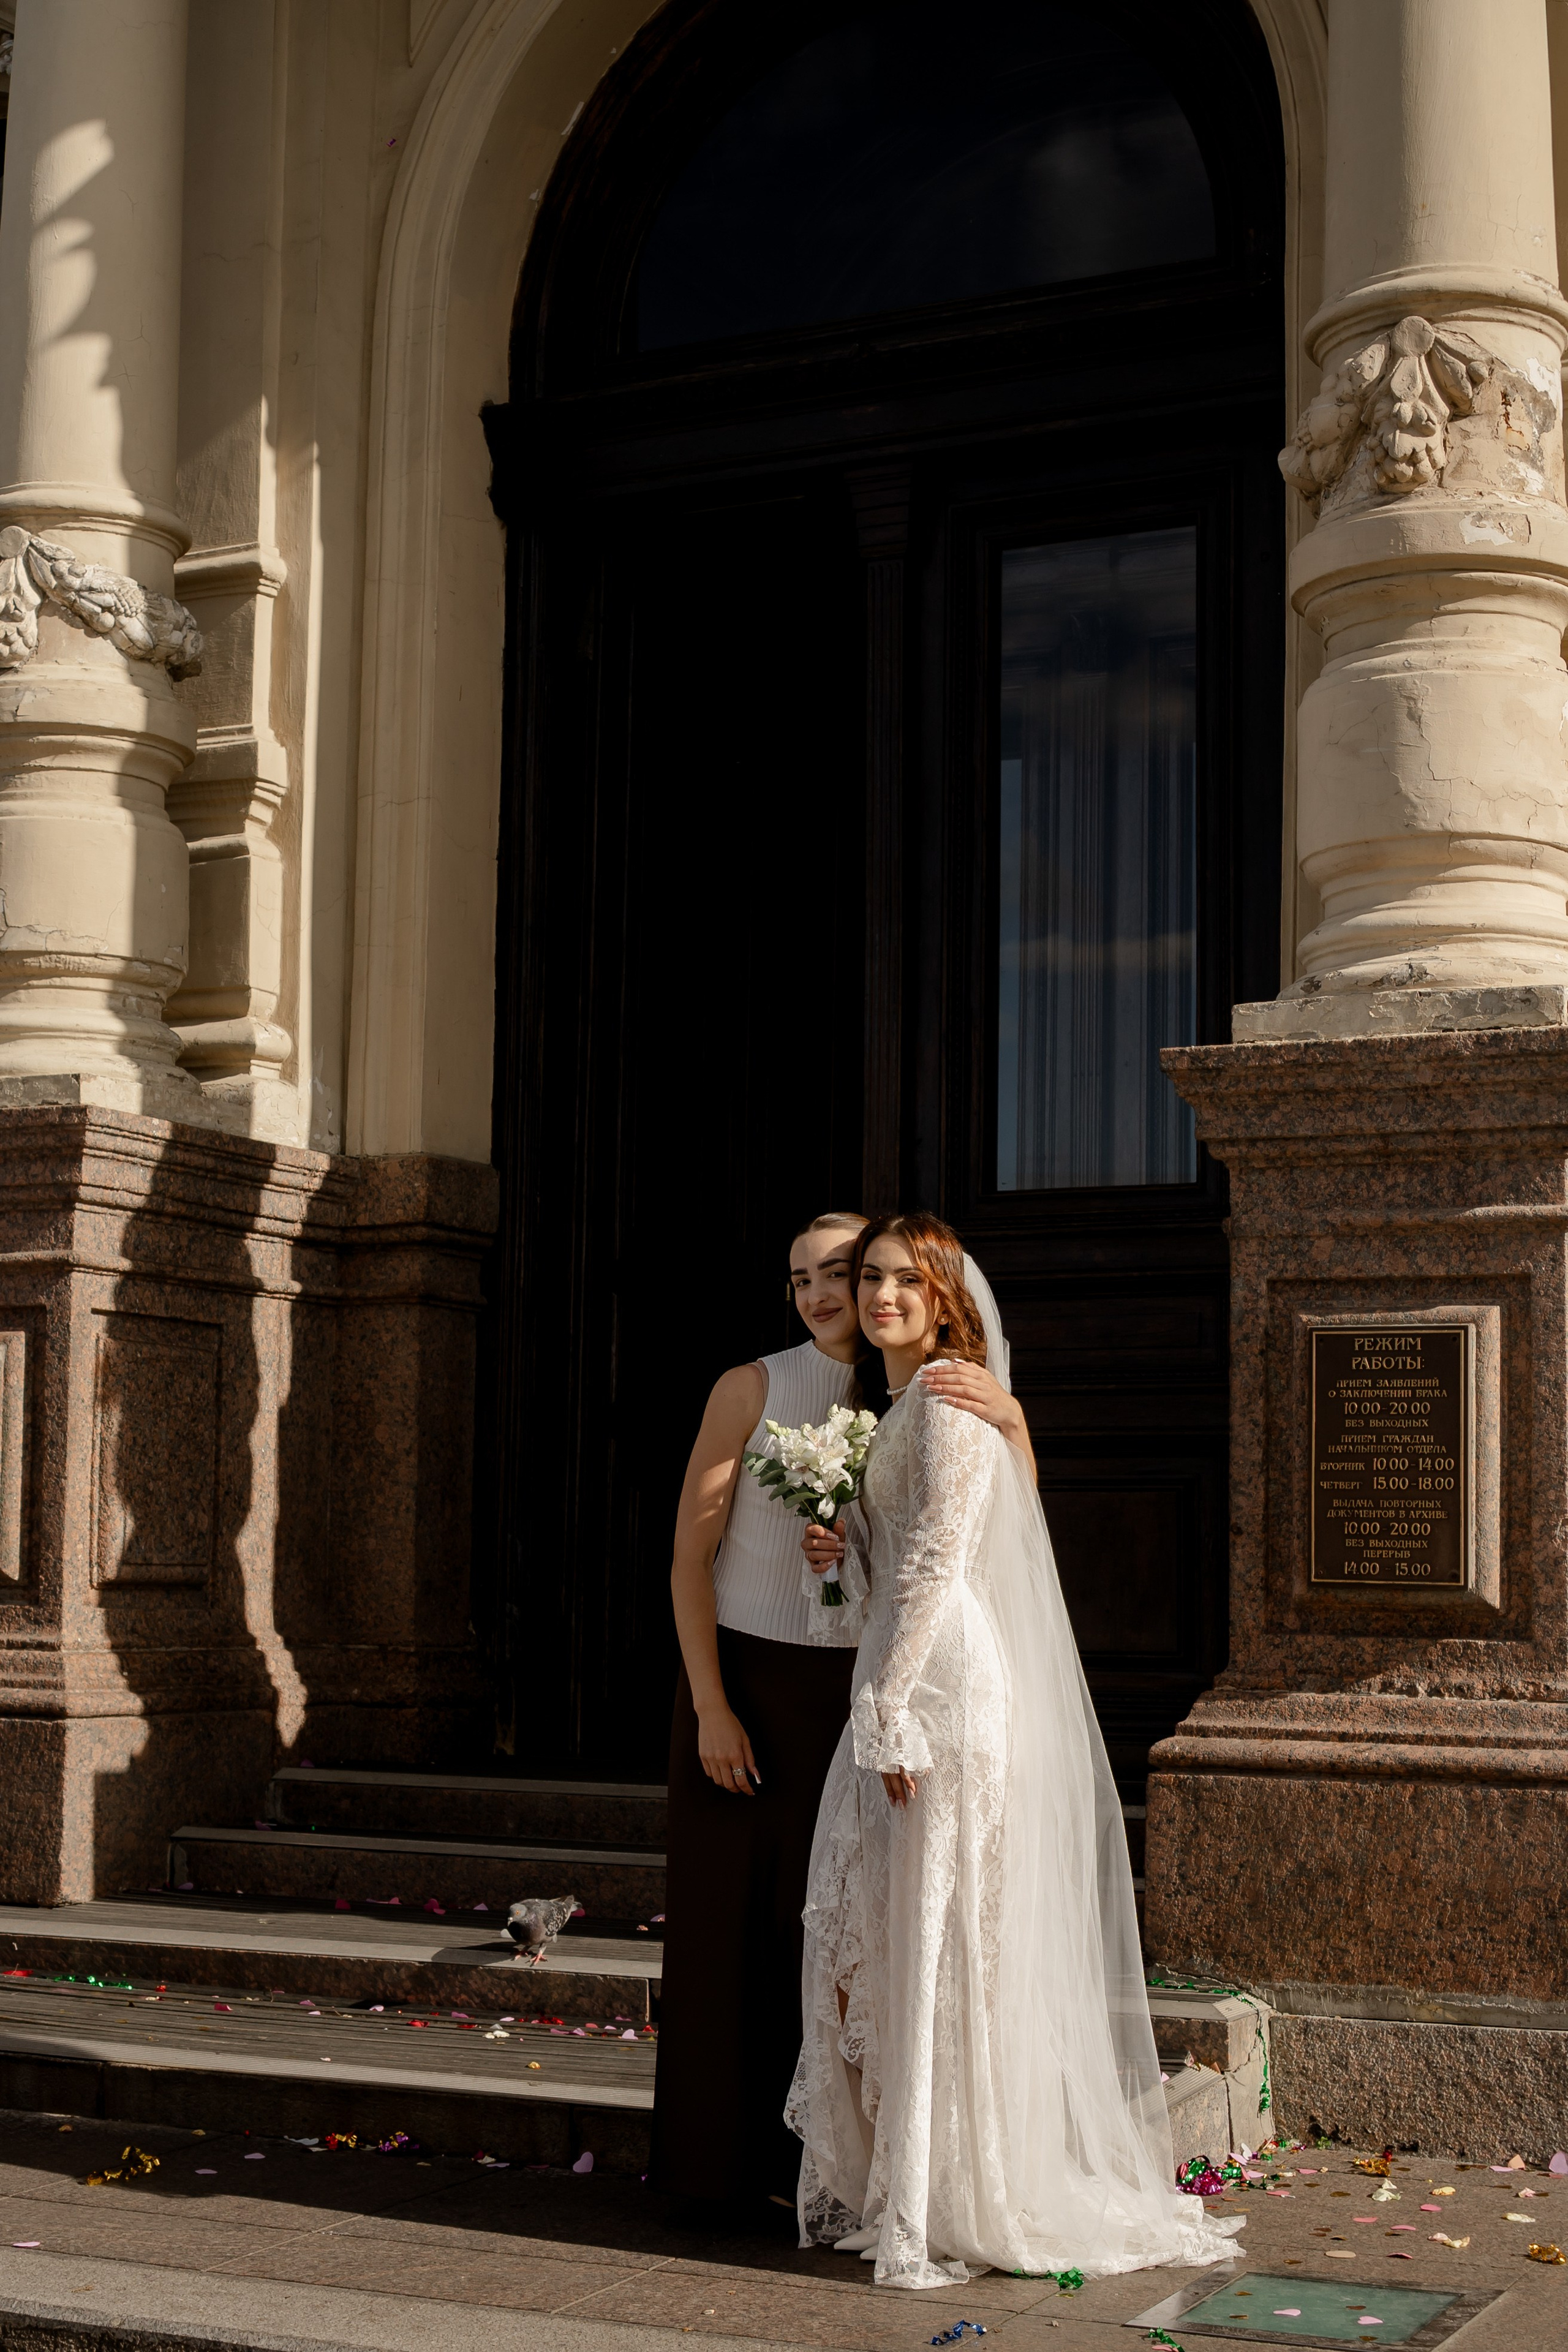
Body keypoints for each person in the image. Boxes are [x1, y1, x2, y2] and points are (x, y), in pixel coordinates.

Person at [788, 1212, 1245, 2286]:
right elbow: (871, 1594)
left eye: (906, 1280)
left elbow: (942, 1569)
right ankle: (927, 2183)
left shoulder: (947, 1405)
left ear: (946, 1299)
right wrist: (838, 1548)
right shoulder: (897, 1409)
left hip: (944, 1694)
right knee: (906, 1938)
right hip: (905, 1677)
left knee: (946, 1941)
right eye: (871, 1280)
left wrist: (891, 1708)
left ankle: (957, 2192)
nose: (881, 1296)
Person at [650, 1211, 1029, 2217]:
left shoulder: (917, 1391)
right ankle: (716, 2171)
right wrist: (710, 1707)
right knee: (739, 1945)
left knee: (842, 1945)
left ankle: (835, 2173)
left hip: (865, 1692)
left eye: (845, 1272)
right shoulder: (755, 1385)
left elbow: (994, 1542)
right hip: (752, 1692)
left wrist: (1015, 1420)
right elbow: (691, 1558)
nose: (828, 1293)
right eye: (805, 1278)